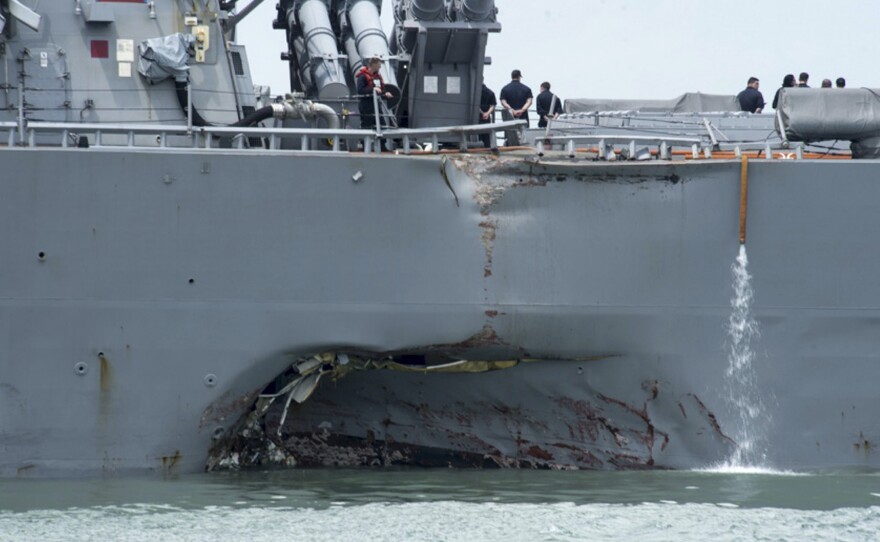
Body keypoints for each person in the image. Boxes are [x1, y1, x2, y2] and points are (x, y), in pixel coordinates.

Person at [356, 57, 393, 129]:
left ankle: (383, 140)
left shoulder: (377, 77)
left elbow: (381, 89)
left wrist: (385, 93)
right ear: (373, 65)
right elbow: (360, 90)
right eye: (378, 64)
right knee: (367, 126)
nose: (380, 66)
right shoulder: (362, 76)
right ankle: (364, 140)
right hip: (366, 106)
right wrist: (372, 89)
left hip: (377, 105)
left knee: (382, 126)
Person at [478, 82, 497, 148]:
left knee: (478, 134)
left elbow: (475, 105)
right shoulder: (490, 92)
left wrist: (482, 113)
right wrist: (487, 113)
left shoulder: (476, 92)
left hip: (477, 117)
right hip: (487, 117)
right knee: (486, 135)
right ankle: (487, 148)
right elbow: (493, 105)